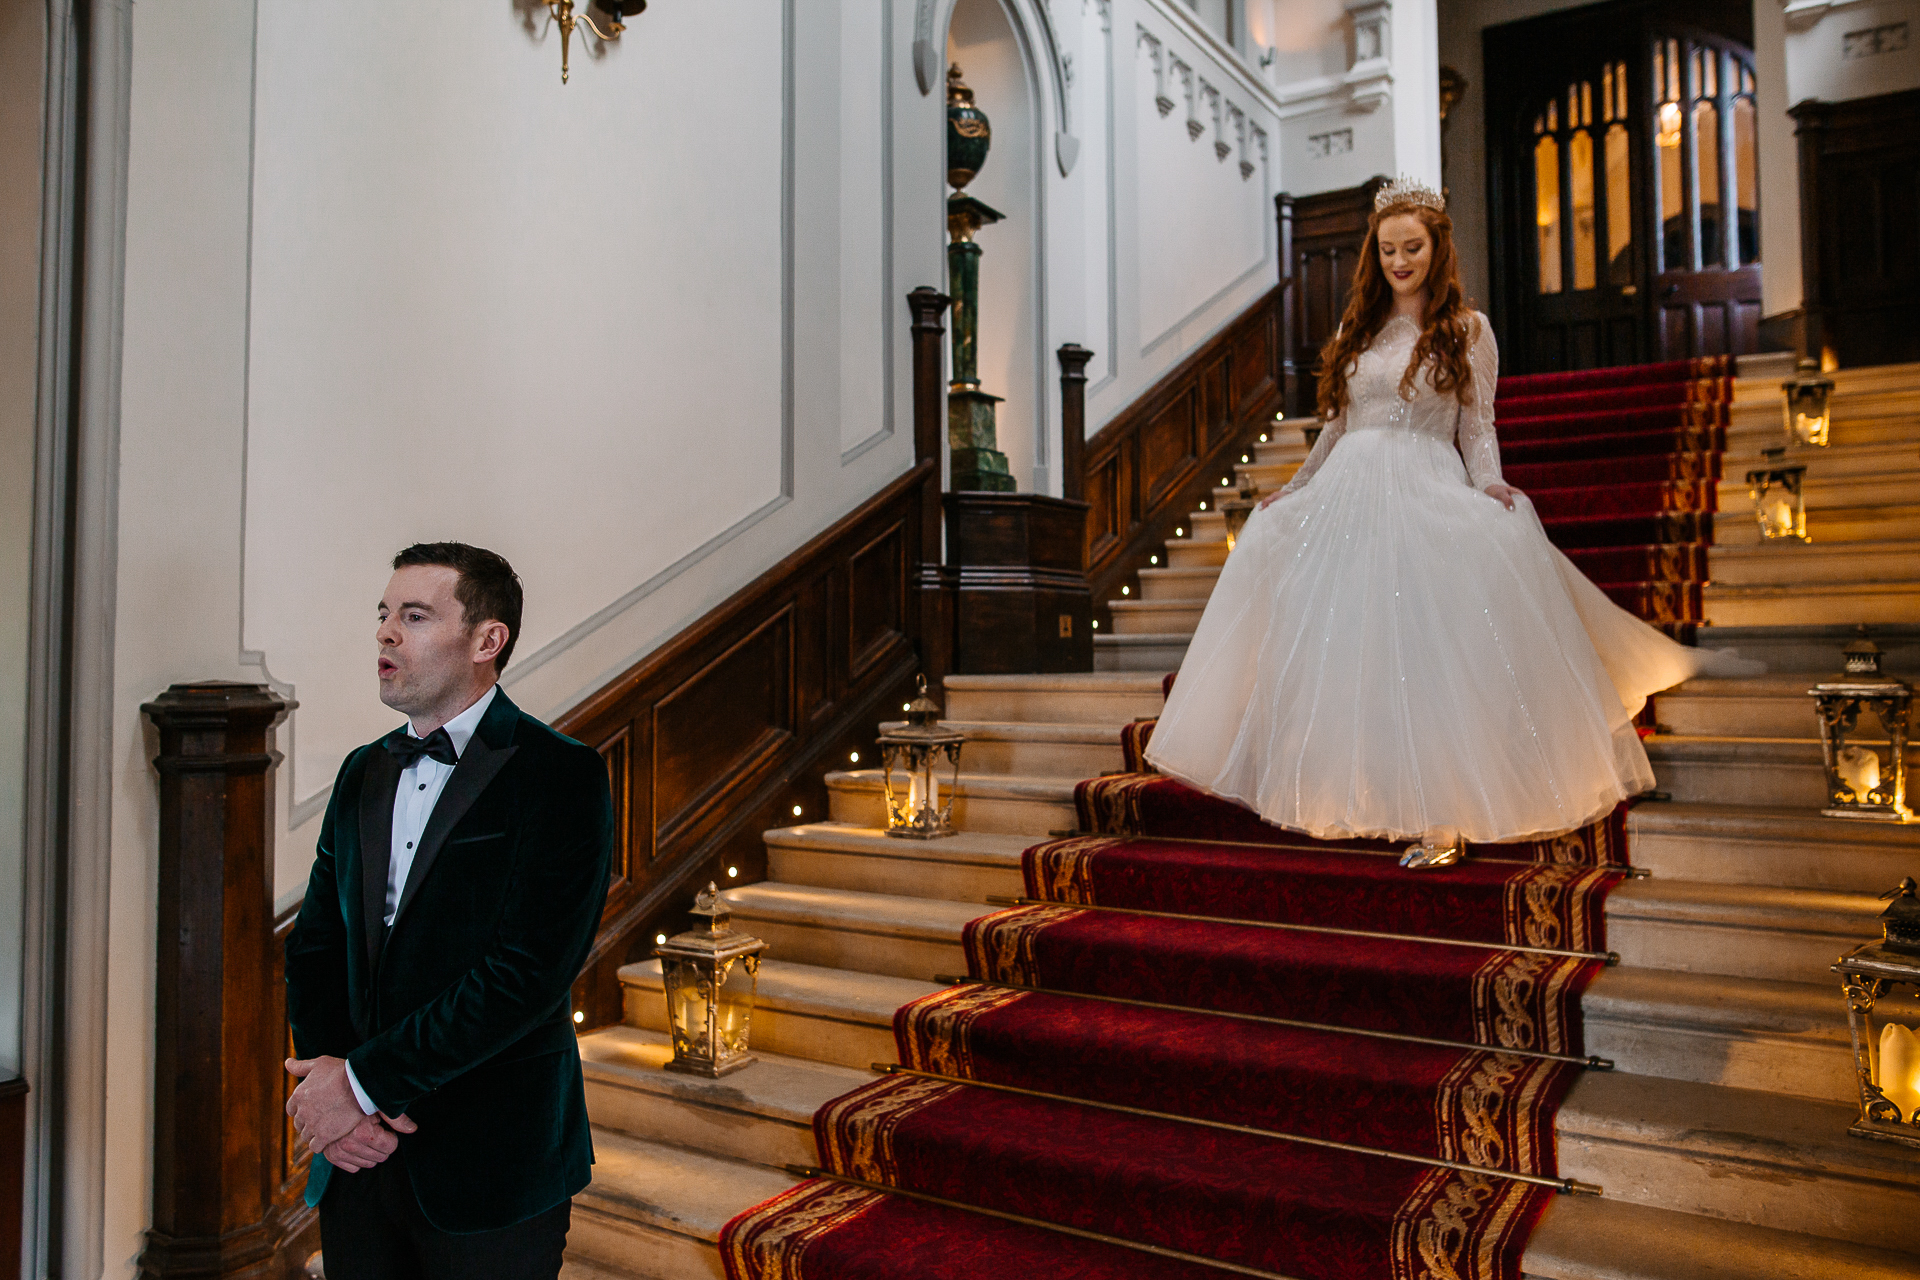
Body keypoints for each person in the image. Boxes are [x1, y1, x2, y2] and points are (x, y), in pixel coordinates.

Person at [1143, 178, 1746, 869]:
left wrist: (1489, 483)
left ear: (1437, 248)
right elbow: (1336, 427)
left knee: (1425, 651)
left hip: (1424, 479)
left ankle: (1444, 815)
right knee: (1350, 643)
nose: (1401, 260)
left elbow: (1476, 424)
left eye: (1414, 247)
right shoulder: (1355, 331)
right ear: (1376, 252)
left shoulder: (1467, 330)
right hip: (1346, 492)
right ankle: (1353, 788)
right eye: (1389, 248)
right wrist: (1297, 487)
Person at [284, 542, 614, 1276]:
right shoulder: (363, 770)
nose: (385, 633)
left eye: (414, 615)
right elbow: (315, 946)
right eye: (383, 615)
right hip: (358, 1162)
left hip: (493, 1162)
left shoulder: (560, 775)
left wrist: (363, 1085)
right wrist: (333, 1094)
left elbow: (525, 974)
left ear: (487, 640)